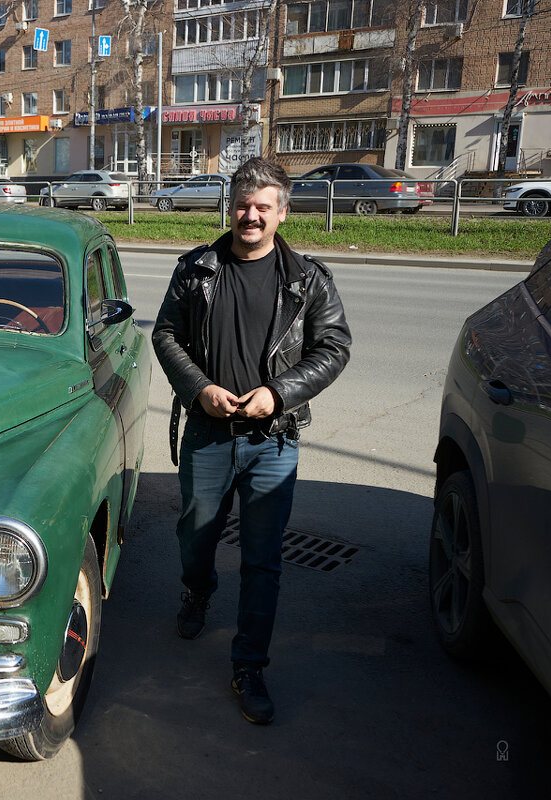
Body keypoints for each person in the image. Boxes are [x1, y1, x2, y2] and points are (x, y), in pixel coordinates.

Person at [151, 157, 352, 724]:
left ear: (282, 213)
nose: (252, 216)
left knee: (264, 562)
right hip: (209, 432)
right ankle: (198, 589)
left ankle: (249, 665)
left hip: (273, 438)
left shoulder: (308, 279)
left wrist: (280, 393)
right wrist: (199, 389)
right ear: (230, 206)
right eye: (243, 204)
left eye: (264, 207)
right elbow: (165, 335)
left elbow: (333, 346)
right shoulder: (196, 269)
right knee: (196, 534)